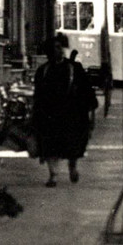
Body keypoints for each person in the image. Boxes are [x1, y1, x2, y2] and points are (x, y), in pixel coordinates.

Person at [32, 33, 97, 187]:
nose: (59, 50)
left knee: (72, 145)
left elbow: (86, 90)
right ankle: (53, 175)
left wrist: (90, 110)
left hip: (71, 113)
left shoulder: (74, 68)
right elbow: (38, 95)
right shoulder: (43, 71)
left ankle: (72, 167)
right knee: (50, 145)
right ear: (49, 52)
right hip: (50, 114)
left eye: (60, 47)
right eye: (55, 48)